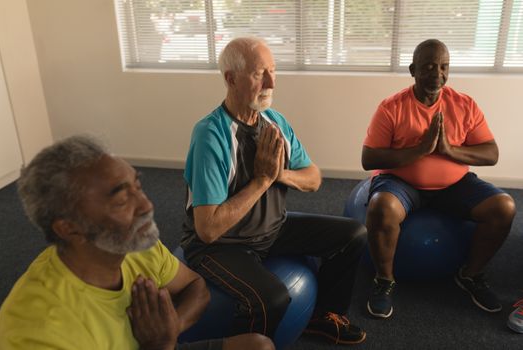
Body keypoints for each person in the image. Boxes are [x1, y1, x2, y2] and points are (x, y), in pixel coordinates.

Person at [0, 136, 274, 350]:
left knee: (259, 345)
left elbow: (195, 287)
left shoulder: (133, 244)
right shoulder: (37, 329)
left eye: (138, 187)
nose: (146, 205)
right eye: (121, 200)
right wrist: (160, 345)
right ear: (69, 228)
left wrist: (170, 328)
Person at [181, 37, 367, 346]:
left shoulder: (274, 121)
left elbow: (313, 178)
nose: (271, 82)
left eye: (273, 70)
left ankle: (322, 317)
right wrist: (263, 181)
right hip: (221, 246)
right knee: (273, 299)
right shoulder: (210, 136)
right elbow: (208, 229)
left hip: (271, 228)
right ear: (231, 78)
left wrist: (280, 174)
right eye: (258, 73)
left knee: (353, 235)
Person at [362, 39, 516, 319]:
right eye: (429, 66)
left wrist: (448, 150)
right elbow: (369, 159)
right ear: (413, 70)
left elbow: (491, 153)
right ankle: (384, 280)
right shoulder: (391, 107)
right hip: (401, 183)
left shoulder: (465, 105)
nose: (437, 74)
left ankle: (470, 275)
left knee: (504, 207)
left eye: (444, 67)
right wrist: (420, 150)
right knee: (381, 208)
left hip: (454, 185)